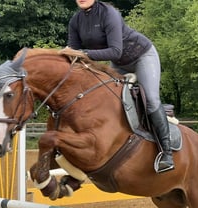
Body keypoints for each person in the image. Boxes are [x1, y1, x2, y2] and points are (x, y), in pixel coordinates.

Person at [67, 0, 174, 173]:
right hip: (120, 64)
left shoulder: (110, 13)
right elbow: (73, 53)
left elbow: (115, 51)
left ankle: (167, 153)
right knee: (108, 100)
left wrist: (83, 53)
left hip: (142, 56)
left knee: (152, 100)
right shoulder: (75, 21)